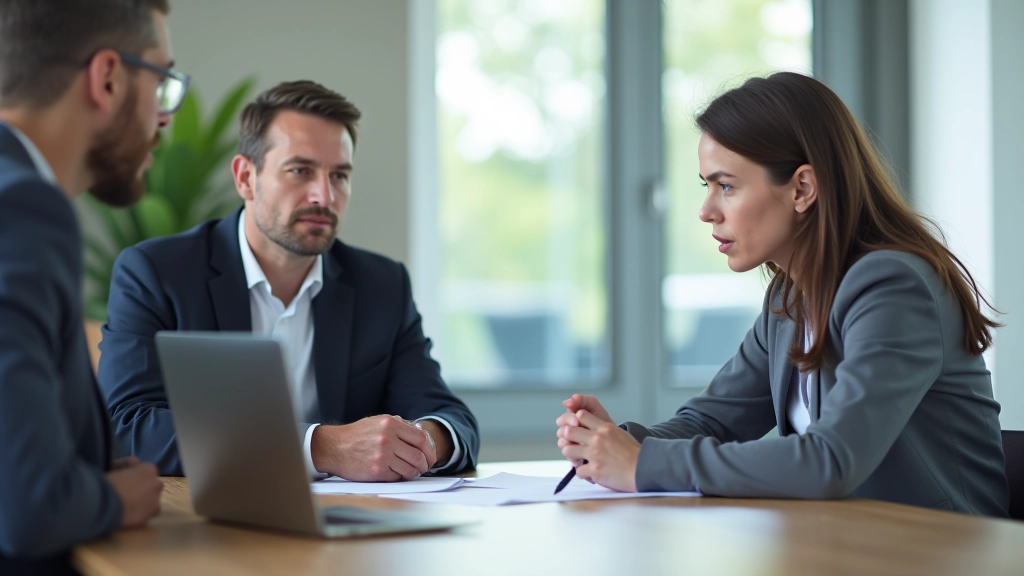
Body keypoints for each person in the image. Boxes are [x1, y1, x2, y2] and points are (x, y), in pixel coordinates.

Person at [555, 72, 1009, 516]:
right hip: (843, 546)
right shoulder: (789, 298)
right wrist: (615, 441)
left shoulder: (893, 286)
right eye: (706, 186)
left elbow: (830, 461)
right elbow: (712, 421)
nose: (706, 211)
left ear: (802, 188)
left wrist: (641, 464)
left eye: (726, 186)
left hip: (941, 554)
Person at [98, 80, 479, 480]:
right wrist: (321, 448)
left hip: (352, 529)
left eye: (339, 176)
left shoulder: (382, 285)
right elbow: (125, 426)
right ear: (246, 177)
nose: (324, 197)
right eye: (301, 171)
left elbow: (452, 420)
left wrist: (419, 442)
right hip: (209, 524)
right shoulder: (157, 273)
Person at [0, 0, 188, 573]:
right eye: (162, 82)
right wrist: (115, 496)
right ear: (107, 78)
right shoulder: (22, 208)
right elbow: (31, 506)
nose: (164, 116)